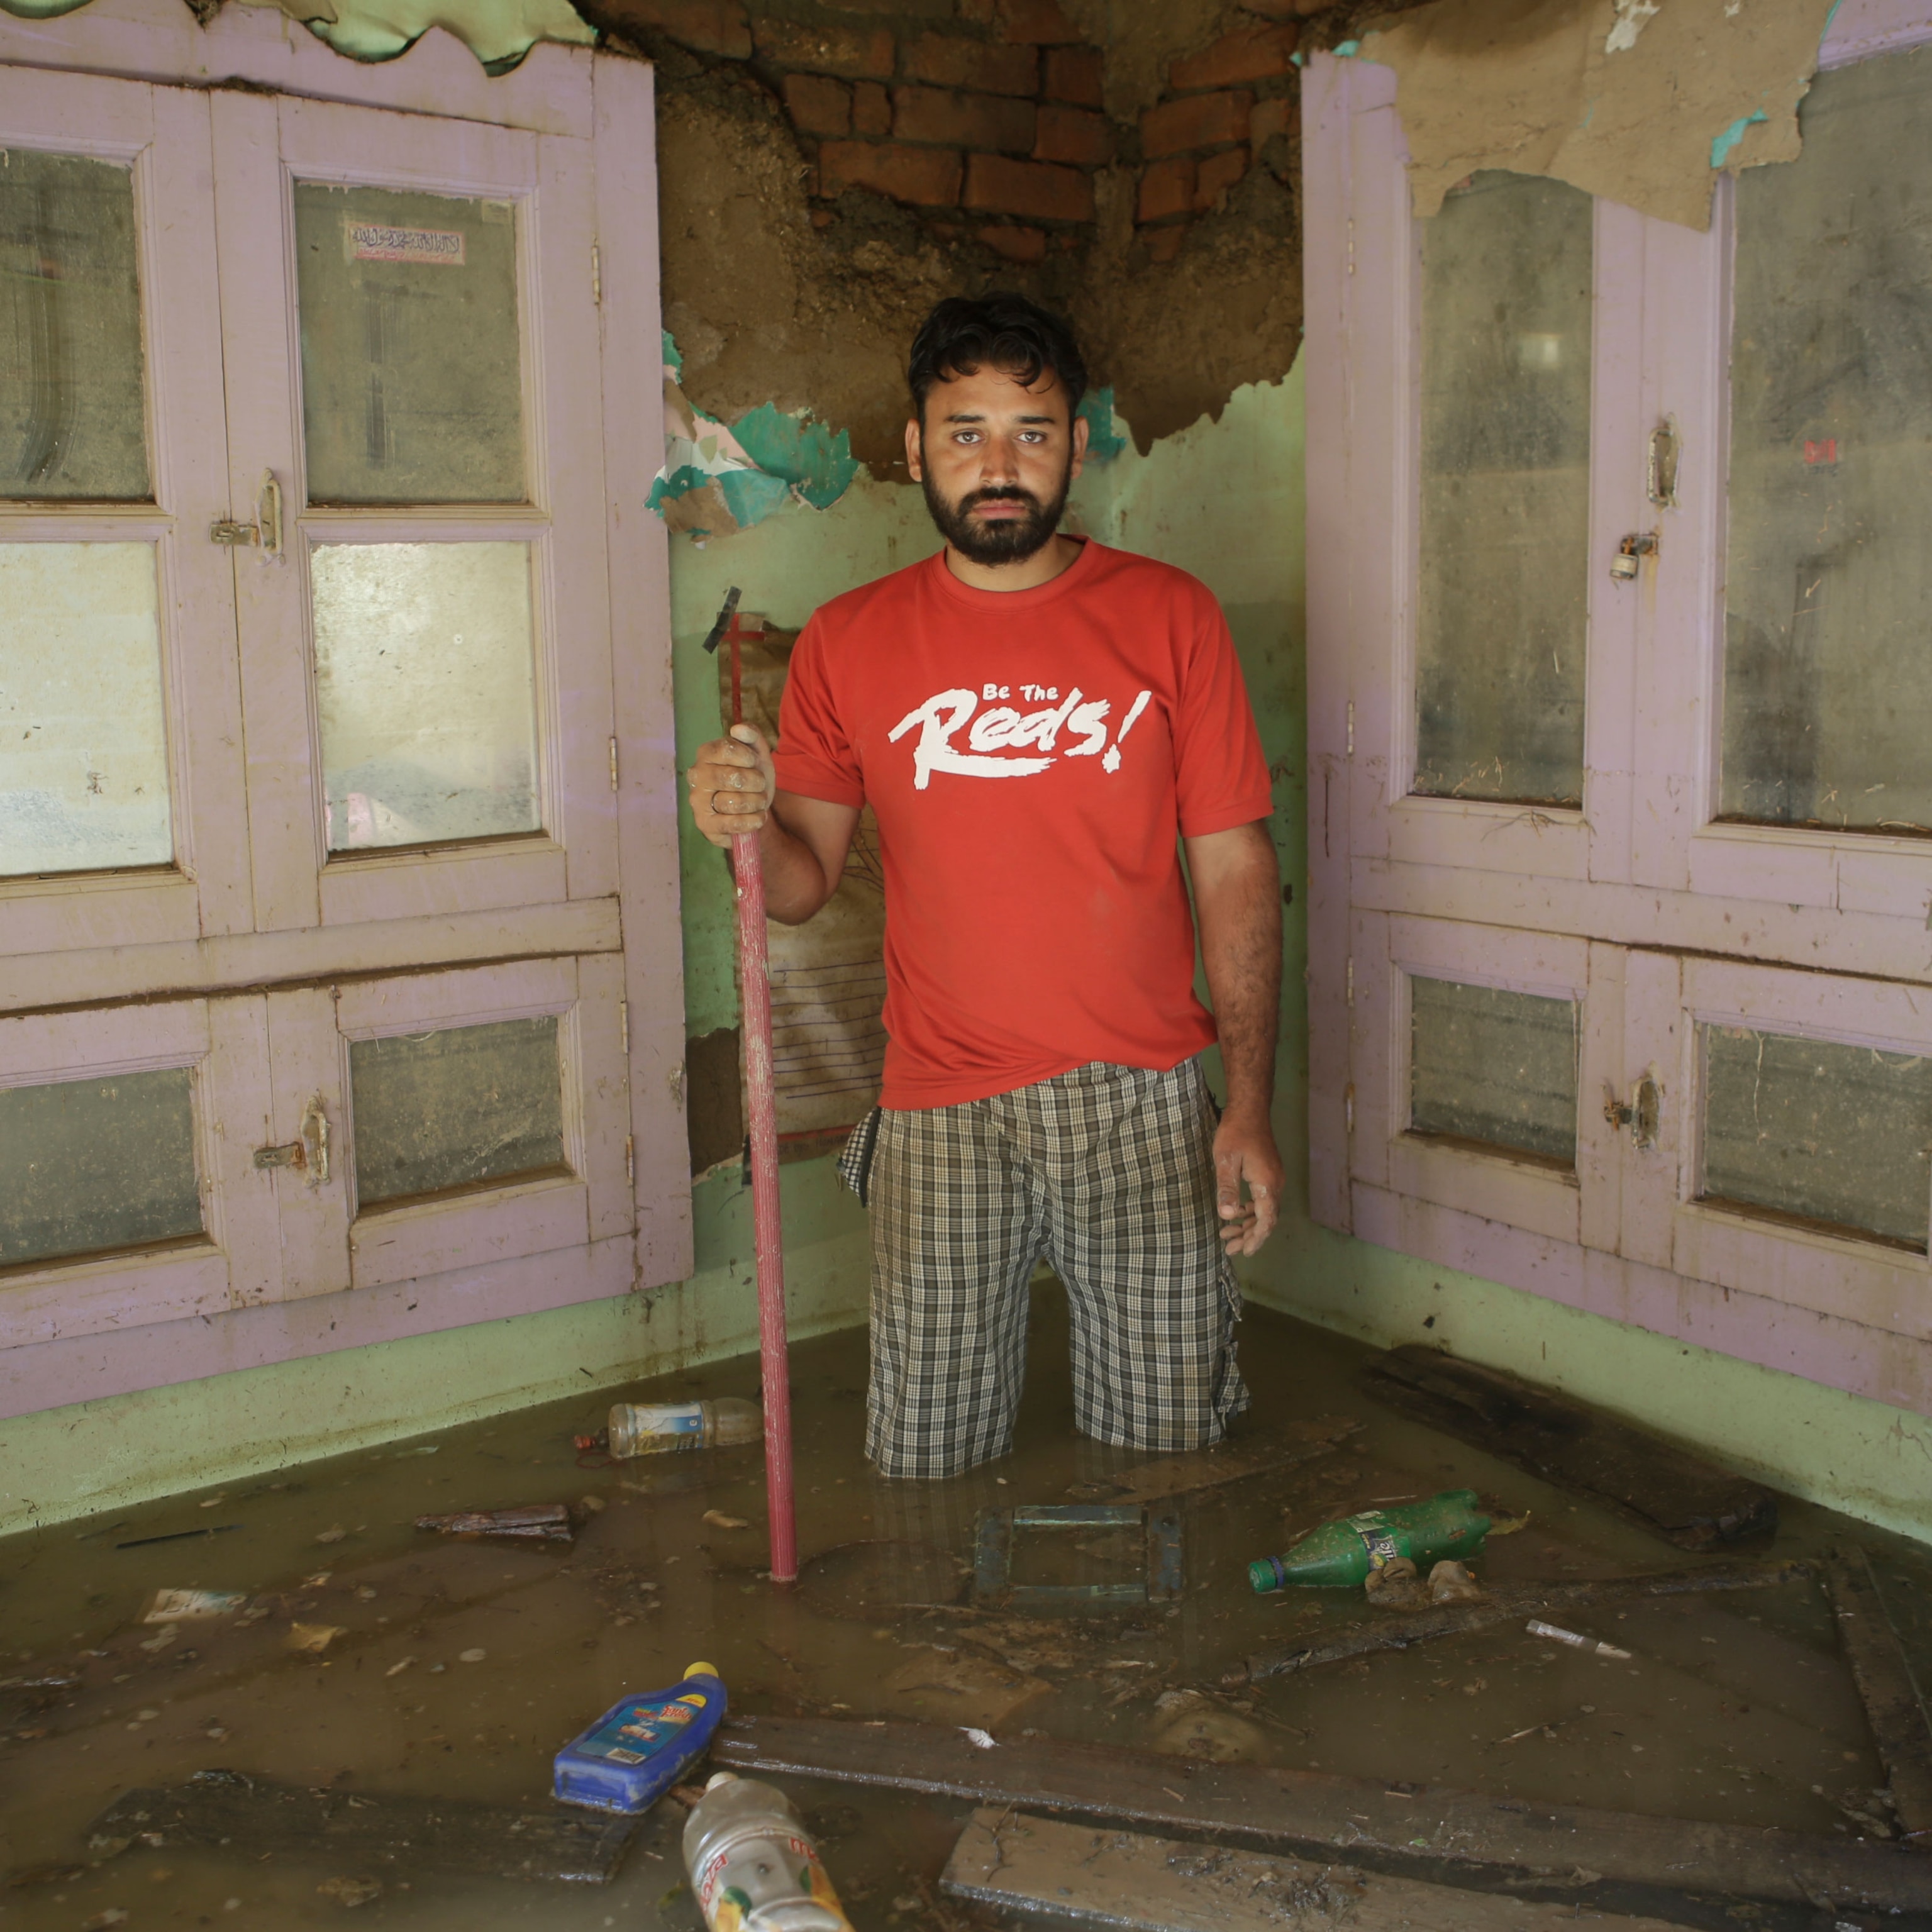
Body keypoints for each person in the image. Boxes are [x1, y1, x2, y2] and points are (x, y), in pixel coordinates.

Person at [686, 292, 1283, 1480]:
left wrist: (1248, 1105)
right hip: (939, 1106)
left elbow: (1236, 870)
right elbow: (799, 887)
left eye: (1033, 431)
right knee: (926, 1461)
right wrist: (736, 828)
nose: (999, 466)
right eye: (966, 432)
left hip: (1141, 1097)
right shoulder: (851, 641)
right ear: (913, 448)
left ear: (1077, 443)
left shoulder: (1172, 618)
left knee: (1169, 1452)